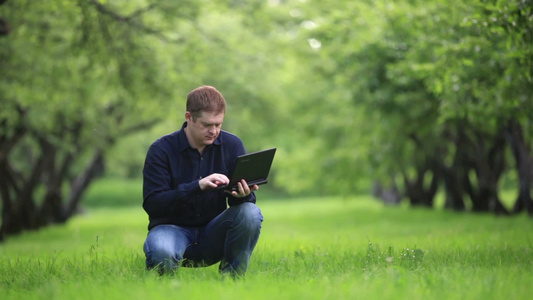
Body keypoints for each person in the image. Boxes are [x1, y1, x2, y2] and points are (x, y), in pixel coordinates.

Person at [142, 85, 263, 277]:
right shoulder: (161, 150)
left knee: (251, 212)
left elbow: (242, 212)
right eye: (207, 125)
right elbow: (153, 204)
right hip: (171, 230)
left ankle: (232, 282)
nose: (214, 131)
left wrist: (243, 195)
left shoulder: (232, 145)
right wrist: (197, 186)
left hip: (213, 232)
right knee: (162, 252)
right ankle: (165, 289)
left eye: (219, 124)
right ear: (189, 117)